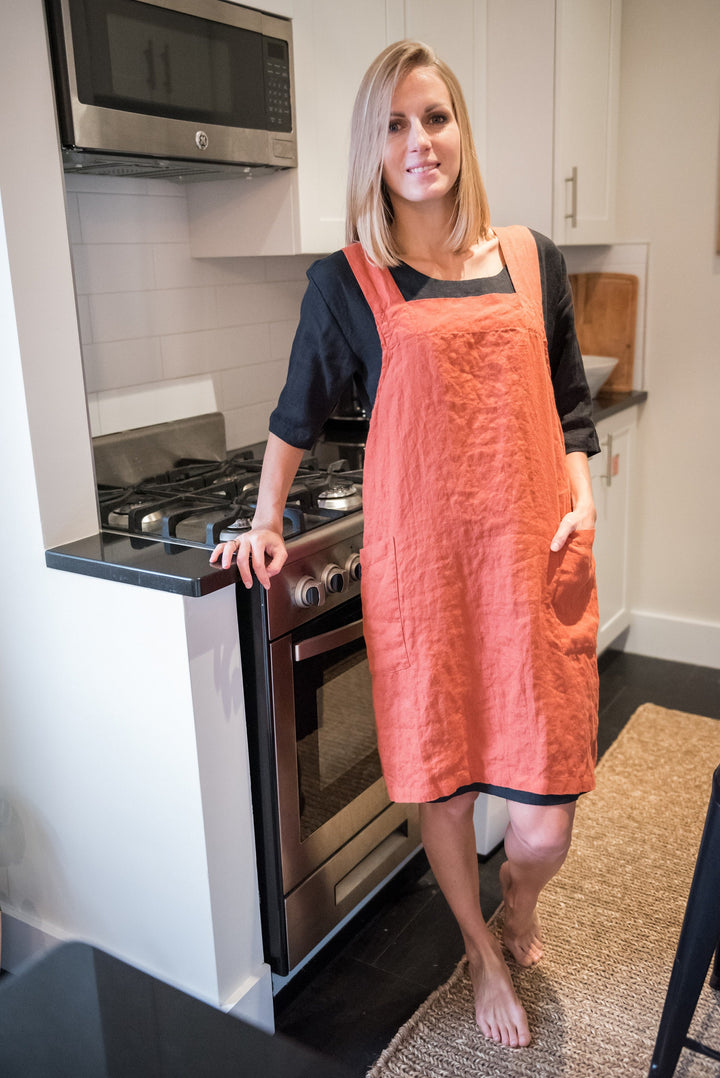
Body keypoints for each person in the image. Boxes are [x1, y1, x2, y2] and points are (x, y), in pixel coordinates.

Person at [210, 40, 600, 1050]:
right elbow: (295, 418)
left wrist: (584, 503)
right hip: (429, 576)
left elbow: (571, 407)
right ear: (372, 150)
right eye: (394, 125)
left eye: (433, 118)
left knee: (543, 821)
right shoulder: (348, 283)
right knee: (446, 776)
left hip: (525, 566)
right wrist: (262, 519)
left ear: (460, 131)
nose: (418, 142)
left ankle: (518, 901)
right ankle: (478, 947)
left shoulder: (528, 256)